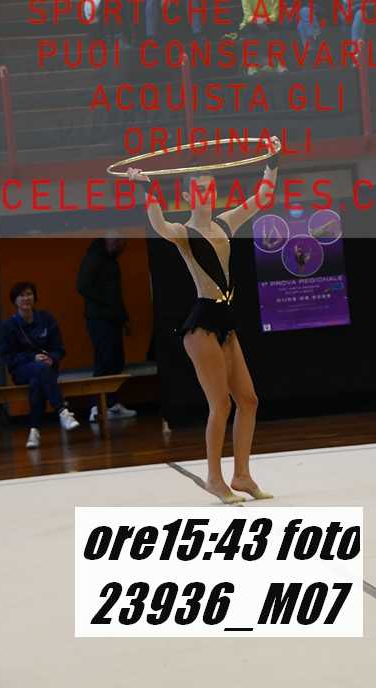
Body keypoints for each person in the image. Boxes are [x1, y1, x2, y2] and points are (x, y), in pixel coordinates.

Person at [126, 138, 281, 504]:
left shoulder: (225, 223)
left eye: (210, 189)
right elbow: (159, 224)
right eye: (199, 190)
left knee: (248, 400)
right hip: (200, 325)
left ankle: (241, 475)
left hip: (225, 320)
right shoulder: (184, 232)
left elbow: (262, 198)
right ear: (187, 196)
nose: (206, 195)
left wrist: (272, 161)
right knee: (221, 404)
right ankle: (214, 478)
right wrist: (147, 189)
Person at [0, 282, 80, 449]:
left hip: (47, 367)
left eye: (29, 294)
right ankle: (62, 410)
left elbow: (59, 349)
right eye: (21, 295)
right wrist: (32, 358)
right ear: (15, 300)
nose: (26, 298)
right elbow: (8, 357)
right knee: (40, 370)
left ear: (35, 297)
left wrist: (52, 358)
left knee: (37, 381)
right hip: (21, 370)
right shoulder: (8, 326)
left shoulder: (47, 318)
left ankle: (34, 431)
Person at [77, 237, 136, 422]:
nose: (120, 247)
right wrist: (107, 303)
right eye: (118, 243)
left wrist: (123, 318)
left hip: (112, 318)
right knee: (104, 361)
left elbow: (116, 293)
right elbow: (82, 286)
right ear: (108, 240)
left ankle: (111, 404)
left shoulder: (111, 261)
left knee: (116, 361)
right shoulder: (94, 258)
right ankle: (97, 407)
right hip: (99, 319)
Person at [239, 0, 287, 74]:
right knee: (250, 30)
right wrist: (259, 21)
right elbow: (248, 16)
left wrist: (264, 21)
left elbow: (274, 15)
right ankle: (252, 66)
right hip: (251, 24)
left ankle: (278, 64)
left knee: (276, 29)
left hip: (268, 22)